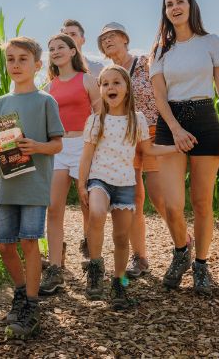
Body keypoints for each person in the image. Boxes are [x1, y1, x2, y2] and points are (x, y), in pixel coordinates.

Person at [150, 0, 219, 295]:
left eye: (180, 1)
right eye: (169, 4)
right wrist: (174, 128)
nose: (174, 7)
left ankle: (201, 265)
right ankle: (180, 252)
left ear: (190, 6)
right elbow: (159, 96)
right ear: (165, 12)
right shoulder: (160, 49)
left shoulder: (210, 42)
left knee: (201, 202)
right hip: (170, 122)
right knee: (172, 205)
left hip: (205, 119)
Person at [0, 37, 64, 339]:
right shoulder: (0, 104)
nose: (16, 65)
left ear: (38, 65)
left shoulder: (46, 101)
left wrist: (38, 146)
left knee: (29, 242)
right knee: (4, 244)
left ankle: (31, 304)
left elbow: (57, 144)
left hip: (34, 185)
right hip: (7, 184)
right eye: (11, 59)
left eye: (23, 59)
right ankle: (20, 291)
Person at [78, 65, 177, 310]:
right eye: (105, 83)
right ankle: (95, 267)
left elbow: (148, 150)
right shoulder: (95, 120)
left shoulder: (137, 119)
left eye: (116, 82)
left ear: (127, 88)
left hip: (125, 184)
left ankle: (119, 284)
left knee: (122, 238)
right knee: (98, 214)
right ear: (100, 90)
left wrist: (176, 147)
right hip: (99, 179)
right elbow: (86, 157)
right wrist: (82, 184)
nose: (111, 87)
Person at [96, 22, 170, 278]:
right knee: (133, 202)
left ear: (125, 39)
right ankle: (140, 258)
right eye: (103, 39)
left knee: (160, 197)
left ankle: (184, 244)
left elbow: (164, 93)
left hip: (152, 133)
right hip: (125, 139)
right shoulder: (108, 75)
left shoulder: (145, 63)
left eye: (112, 36)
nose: (107, 41)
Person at [39, 33, 101, 295]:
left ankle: (94, 266)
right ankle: (55, 269)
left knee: (89, 206)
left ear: (73, 51)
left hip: (84, 146)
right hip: (60, 148)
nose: (55, 51)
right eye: (51, 48)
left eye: (60, 47)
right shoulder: (49, 87)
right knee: (53, 208)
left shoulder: (87, 80)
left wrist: (96, 147)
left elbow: (100, 115)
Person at [60, 19, 104, 259]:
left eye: (73, 34)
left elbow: (102, 105)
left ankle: (90, 242)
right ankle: (59, 248)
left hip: (87, 140)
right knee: (55, 201)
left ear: (82, 40)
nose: (68, 37)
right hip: (62, 141)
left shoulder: (96, 69)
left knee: (86, 196)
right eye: (64, 34)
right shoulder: (55, 69)